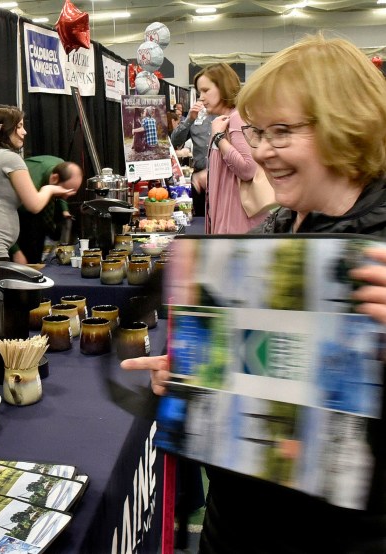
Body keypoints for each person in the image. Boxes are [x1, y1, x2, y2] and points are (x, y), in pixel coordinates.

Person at [123, 34, 386, 552]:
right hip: (235, 524)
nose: (262, 151)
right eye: (258, 132)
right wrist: (192, 375)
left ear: (346, 125)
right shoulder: (274, 231)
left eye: (282, 132)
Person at [0, 105, 76, 261]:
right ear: (3, 128)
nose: (24, 132)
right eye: (19, 126)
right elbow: (34, 204)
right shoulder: (10, 158)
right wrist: (49, 189)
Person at [196, 63, 268, 233]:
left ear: (223, 87)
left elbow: (248, 168)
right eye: (200, 92)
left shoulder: (236, 118)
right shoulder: (225, 120)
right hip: (228, 219)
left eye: (206, 90)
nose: (201, 97)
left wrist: (219, 138)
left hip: (237, 223)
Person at [11, 155, 84, 264]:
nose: (66, 197)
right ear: (54, 178)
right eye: (64, 192)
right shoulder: (29, 185)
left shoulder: (61, 166)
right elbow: (6, 220)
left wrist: (64, 210)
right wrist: (15, 251)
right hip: (20, 219)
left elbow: (61, 190)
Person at [171, 100, 215, 217]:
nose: (204, 97)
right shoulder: (196, 117)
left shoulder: (226, 115)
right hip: (198, 179)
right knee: (200, 221)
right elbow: (175, 141)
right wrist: (189, 118)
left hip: (221, 177)